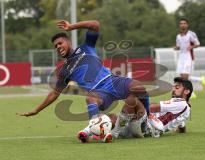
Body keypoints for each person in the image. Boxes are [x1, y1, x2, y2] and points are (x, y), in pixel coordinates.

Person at [18, 20, 150, 143]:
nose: (58, 47)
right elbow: (55, 93)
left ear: (68, 42)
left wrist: (71, 27)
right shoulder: (64, 70)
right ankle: (98, 132)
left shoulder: (86, 47)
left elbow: (95, 24)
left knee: (139, 88)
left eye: (60, 43)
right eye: (55, 46)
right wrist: (37, 110)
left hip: (112, 81)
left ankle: (148, 118)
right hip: (99, 93)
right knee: (90, 98)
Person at [111, 77, 192, 139]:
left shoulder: (182, 104)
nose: (173, 90)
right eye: (173, 87)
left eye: (177, 88)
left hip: (149, 129)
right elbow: (181, 123)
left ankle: (114, 133)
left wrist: (139, 105)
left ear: (186, 91)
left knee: (134, 98)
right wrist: (182, 130)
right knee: (112, 117)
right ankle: (111, 131)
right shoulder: (184, 108)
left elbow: (154, 108)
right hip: (144, 125)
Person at [174, 18, 205, 97]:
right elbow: (179, 46)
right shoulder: (178, 36)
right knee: (182, 77)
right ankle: (200, 80)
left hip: (188, 57)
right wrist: (176, 48)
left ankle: (191, 93)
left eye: (184, 23)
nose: (182, 25)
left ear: (187, 25)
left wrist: (192, 46)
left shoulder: (191, 34)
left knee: (185, 76)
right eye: (181, 23)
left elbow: (198, 44)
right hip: (181, 57)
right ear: (179, 25)